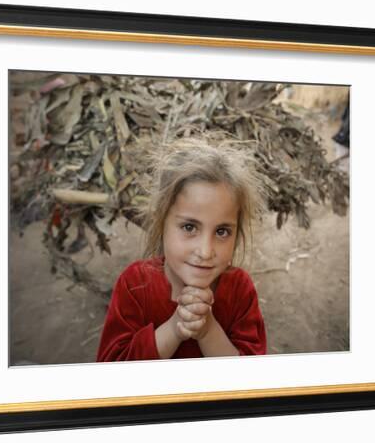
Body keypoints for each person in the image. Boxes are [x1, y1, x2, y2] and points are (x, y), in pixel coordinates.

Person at [96, 137, 267, 362]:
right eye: (189, 227)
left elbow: (253, 382)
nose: (205, 252)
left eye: (222, 231)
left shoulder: (240, 290)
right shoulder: (135, 284)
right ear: (161, 221)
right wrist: (175, 327)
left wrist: (208, 330)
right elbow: (111, 375)